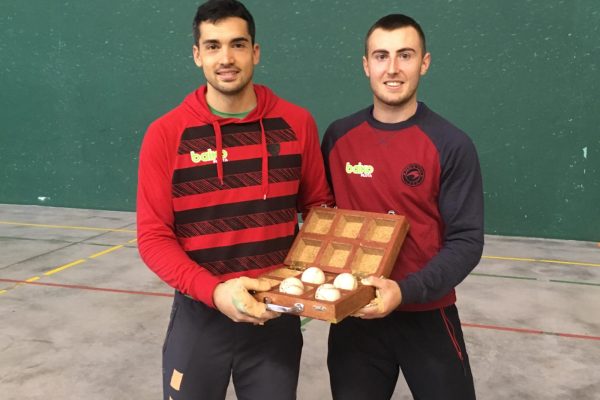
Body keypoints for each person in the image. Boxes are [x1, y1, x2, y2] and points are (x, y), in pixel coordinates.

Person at [136, 1, 333, 399]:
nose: (226, 58)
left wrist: (308, 283)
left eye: (237, 44)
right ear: (197, 55)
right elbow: (154, 236)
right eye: (213, 46)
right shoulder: (165, 134)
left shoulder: (298, 124)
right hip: (199, 316)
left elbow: (319, 210)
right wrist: (214, 292)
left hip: (275, 319)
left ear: (255, 52)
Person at [321, 14, 484, 400]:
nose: (392, 68)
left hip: (427, 315)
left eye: (405, 55)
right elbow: (322, 218)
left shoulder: (451, 144)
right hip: (354, 317)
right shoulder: (339, 137)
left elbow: (466, 241)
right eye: (381, 56)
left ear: (424, 63)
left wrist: (405, 290)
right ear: (366, 65)